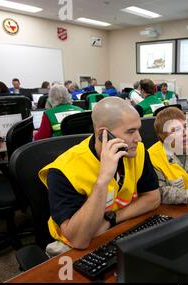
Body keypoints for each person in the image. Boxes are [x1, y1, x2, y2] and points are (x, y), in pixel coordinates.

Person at [39, 97, 161, 251]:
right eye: (131, 132)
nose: (139, 138)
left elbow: (153, 198)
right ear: (104, 134)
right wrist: (103, 180)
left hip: (116, 228)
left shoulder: (138, 152)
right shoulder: (63, 170)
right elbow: (79, 240)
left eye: (138, 129)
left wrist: (112, 219)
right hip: (71, 247)